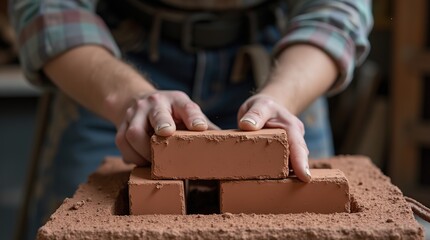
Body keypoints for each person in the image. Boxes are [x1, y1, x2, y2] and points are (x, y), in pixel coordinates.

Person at [9, 0, 372, 237]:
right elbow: (48, 7)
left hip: (280, 63)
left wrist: (281, 97)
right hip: (114, 57)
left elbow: (337, 9)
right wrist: (128, 98)